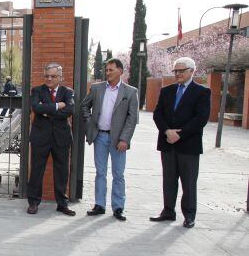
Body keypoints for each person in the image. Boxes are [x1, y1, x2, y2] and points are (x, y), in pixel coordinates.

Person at [150, 57, 211, 228]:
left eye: (181, 70)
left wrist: (180, 134)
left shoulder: (202, 92)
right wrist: (167, 131)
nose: (177, 74)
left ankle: (189, 215)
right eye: (175, 71)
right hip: (167, 143)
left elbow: (201, 118)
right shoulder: (167, 91)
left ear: (192, 71)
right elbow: (158, 114)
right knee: (169, 179)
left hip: (188, 145)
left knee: (188, 182)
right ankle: (168, 210)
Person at [81, 58, 139, 221]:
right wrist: (90, 121)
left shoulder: (130, 92)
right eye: (106, 70)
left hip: (118, 140)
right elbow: (84, 106)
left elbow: (132, 118)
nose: (108, 73)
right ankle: (99, 205)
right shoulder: (97, 88)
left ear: (120, 71)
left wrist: (125, 139)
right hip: (100, 136)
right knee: (100, 172)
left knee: (118, 174)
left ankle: (118, 207)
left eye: (111, 70)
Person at [26, 63, 75, 216]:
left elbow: (70, 110)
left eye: (53, 76)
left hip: (61, 138)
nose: (49, 78)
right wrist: (56, 106)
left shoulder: (68, 92)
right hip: (40, 137)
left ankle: (62, 203)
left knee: (62, 171)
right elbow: (36, 108)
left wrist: (47, 109)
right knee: (36, 171)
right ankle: (33, 202)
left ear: (60, 77)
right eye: (46, 75)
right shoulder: (37, 90)